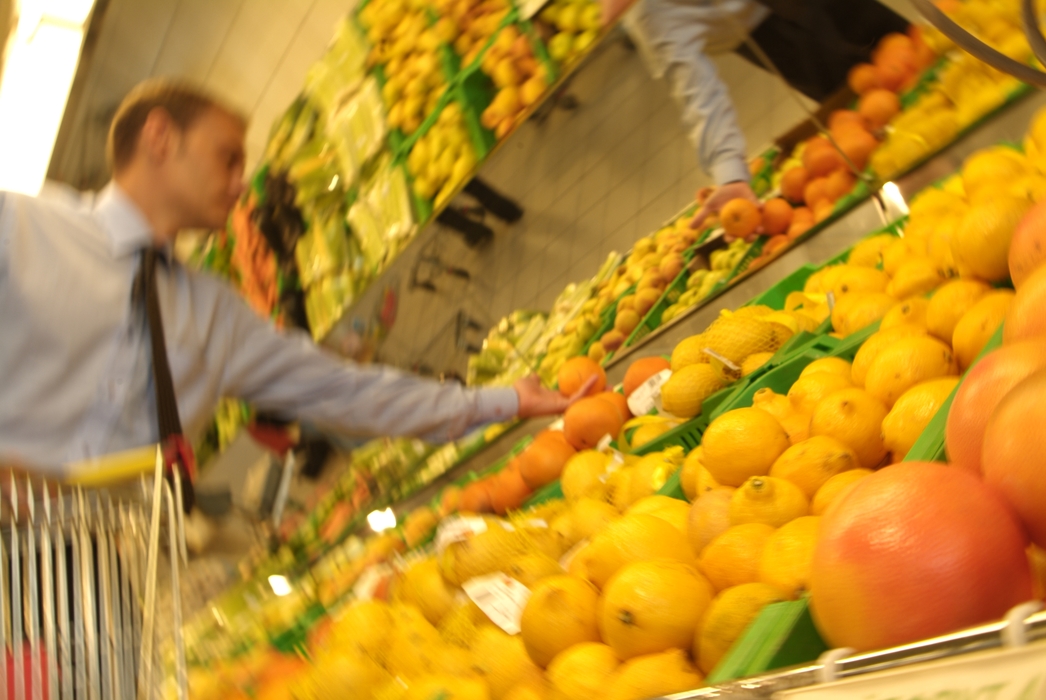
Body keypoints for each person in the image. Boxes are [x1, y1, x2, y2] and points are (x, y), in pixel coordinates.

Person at [0, 80, 580, 477]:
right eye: (228, 158)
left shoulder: (214, 315)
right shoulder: (23, 231)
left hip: (106, 612)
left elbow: (346, 391)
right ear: (159, 138)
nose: (239, 184)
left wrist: (502, 400)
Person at [601, 0, 908, 232]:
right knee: (857, 101)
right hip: (763, 34)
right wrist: (729, 172)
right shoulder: (649, 13)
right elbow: (697, 94)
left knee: (900, 46)